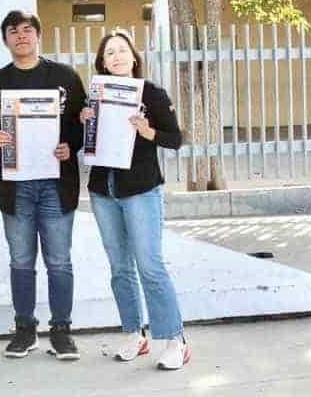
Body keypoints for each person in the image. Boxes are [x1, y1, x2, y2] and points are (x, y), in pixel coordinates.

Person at [0, 10, 86, 361]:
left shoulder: (65, 77)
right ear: (5, 40)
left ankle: (62, 331)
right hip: (15, 187)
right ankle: (25, 329)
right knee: (21, 261)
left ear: (38, 35)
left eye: (27, 30)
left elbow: (82, 125)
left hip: (56, 185)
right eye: (13, 31)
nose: (21, 36)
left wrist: (70, 144)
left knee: (59, 262)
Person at [80, 28, 189, 370]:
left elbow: (176, 138)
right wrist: (82, 122)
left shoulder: (152, 94)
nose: (116, 57)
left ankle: (175, 340)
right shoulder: (93, 97)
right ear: (102, 62)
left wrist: (148, 132)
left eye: (121, 51)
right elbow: (82, 142)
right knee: (119, 268)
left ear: (134, 56)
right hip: (103, 190)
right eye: (109, 53)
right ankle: (134, 333)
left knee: (149, 265)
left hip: (141, 189)